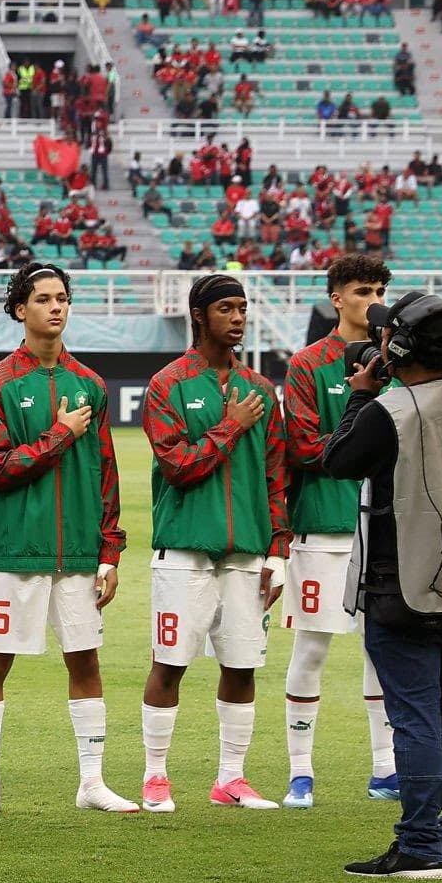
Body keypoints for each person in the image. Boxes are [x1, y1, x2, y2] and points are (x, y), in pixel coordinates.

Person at [320, 293, 442, 878]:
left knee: (415, 715)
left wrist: (360, 393)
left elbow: (336, 460)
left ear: (398, 346)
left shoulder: (391, 410)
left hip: (405, 582)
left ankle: (421, 845)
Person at [0, 264, 137, 817]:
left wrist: (109, 551)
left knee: (85, 662)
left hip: (80, 553)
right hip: (17, 549)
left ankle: (92, 782)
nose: (56, 307)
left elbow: (106, 472)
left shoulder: (90, 383)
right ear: (20, 310)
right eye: (43, 299)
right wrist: (61, 433)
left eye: (62, 298)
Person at [139, 273, 289, 812]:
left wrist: (278, 552)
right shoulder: (167, 384)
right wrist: (230, 426)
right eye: (226, 308)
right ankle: (155, 777)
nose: (239, 317)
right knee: (170, 663)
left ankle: (231, 778)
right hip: (184, 549)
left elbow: (276, 476)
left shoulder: (261, 389)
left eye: (243, 307)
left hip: (247, 552)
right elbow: (178, 465)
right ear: (199, 315)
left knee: (242, 665)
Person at [279, 255, 401, 807]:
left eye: (379, 291)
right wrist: (365, 447)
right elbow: (304, 447)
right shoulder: (308, 364)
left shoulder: (399, 359)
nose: (372, 301)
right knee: (312, 649)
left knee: (383, 651)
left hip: (386, 527)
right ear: (336, 298)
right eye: (361, 291)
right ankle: (300, 773)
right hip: (324, 529)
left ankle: (386, 769)